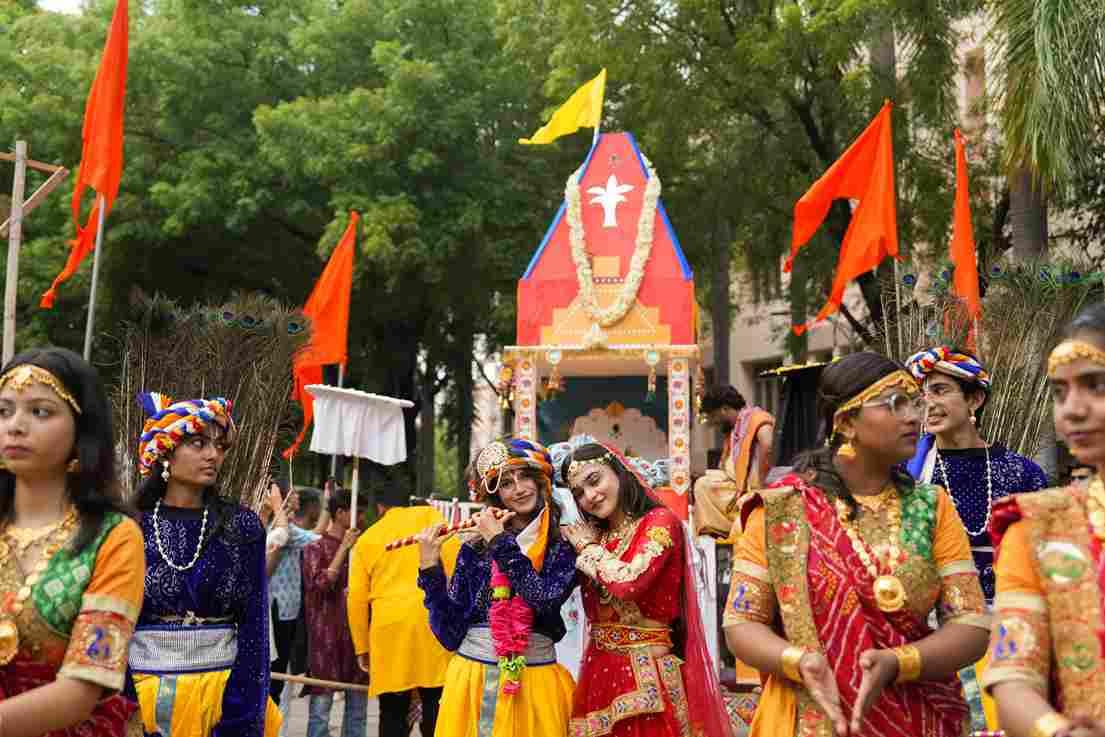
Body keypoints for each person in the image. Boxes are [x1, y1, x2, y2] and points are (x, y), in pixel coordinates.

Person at [722, 352, 991, 737]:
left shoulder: (932, 506)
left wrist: (900, 662)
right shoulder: (782, 509)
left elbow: (971, 624)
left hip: (916, 715)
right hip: (809, 714)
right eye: (897, 403)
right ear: (846, 421)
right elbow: (742, 624)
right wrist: (800, 660)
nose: (915, 416)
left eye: (915, 402)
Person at [0, 347, 145, 736]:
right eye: (4, 410)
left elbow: (80, 691)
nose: (15, 425)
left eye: (40, 411)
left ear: (83, 431)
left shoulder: (113, 538)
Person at [982, 302, 1105, 737]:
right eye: (1059, 392)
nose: (1072, 410)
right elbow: (1014, 678)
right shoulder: (1039, 526)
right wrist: (1060, 731)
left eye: (1095, 386)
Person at [126, 392, 280, 737]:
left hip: (222, 701)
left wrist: (241, 721)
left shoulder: (242, 527)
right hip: (140, 701)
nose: (213, 454)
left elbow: (255, 629)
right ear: (165, 451)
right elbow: (111, 626)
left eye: (219, 446)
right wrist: (122, 710)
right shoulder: (128, 528)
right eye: (198, 443)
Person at [561, 441, 733, 737]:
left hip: (648, 682)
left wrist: (587, 547)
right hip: (598, 676)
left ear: (619, 472)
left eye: (594, 480)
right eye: (578, 492)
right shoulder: (595, 537)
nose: (590, 496)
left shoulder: (660, 523)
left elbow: (628, 583)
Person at [416, 439, 576, 737]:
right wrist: (430, 570)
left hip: (536, 684)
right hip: (472, 682)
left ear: (541, 481)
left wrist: (501, 544)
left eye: (524, 476)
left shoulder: (562, 546)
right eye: (505, 483)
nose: (519, 488)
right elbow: (449, 634)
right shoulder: (474, 548)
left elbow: (543, 598)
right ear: (496, 496)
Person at [905, 346, 1048, 602]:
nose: (927, 403)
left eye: (939, 390)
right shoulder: (907, 473)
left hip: (1011, 615)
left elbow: (1043, 560)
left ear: (974, 399)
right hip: (935, 622)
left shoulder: (1024, 474)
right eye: (920, 394)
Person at [348, 481, 456, 737]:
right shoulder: (433, 519)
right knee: (437, 705)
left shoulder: (369, 538)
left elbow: (355, 598)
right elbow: (456, 569)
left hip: (389, 631)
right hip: (433, 623)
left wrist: (361, 646)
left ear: (380, 507)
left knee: (392, 712)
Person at [302, 488, 367, 737]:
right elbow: (320, 585)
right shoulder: (314, 548)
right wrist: (343, 549)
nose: (361, 518)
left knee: (358, 712)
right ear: (340, 513)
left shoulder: (362, 549)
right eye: (357, 512)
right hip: (325, 639)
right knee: (320, 711)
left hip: (357, 638)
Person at [693, 385, 775, 540]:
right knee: (703, 485)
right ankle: (718, 534)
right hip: (737, 486)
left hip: (756, 488)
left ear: (724, 409)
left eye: (714, 416)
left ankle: (728, 531)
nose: (714, 423)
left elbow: (768, 443)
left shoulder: (756, 417)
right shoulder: (735, 428)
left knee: (703, 485)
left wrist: (763, 482)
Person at [264, 482, 320, 706]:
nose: (297, 499)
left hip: (285, 607)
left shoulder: (284, 525)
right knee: (274, 675)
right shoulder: (279, 529)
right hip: (276, 607)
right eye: (292, 495)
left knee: (277, 675)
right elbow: (315, 539)